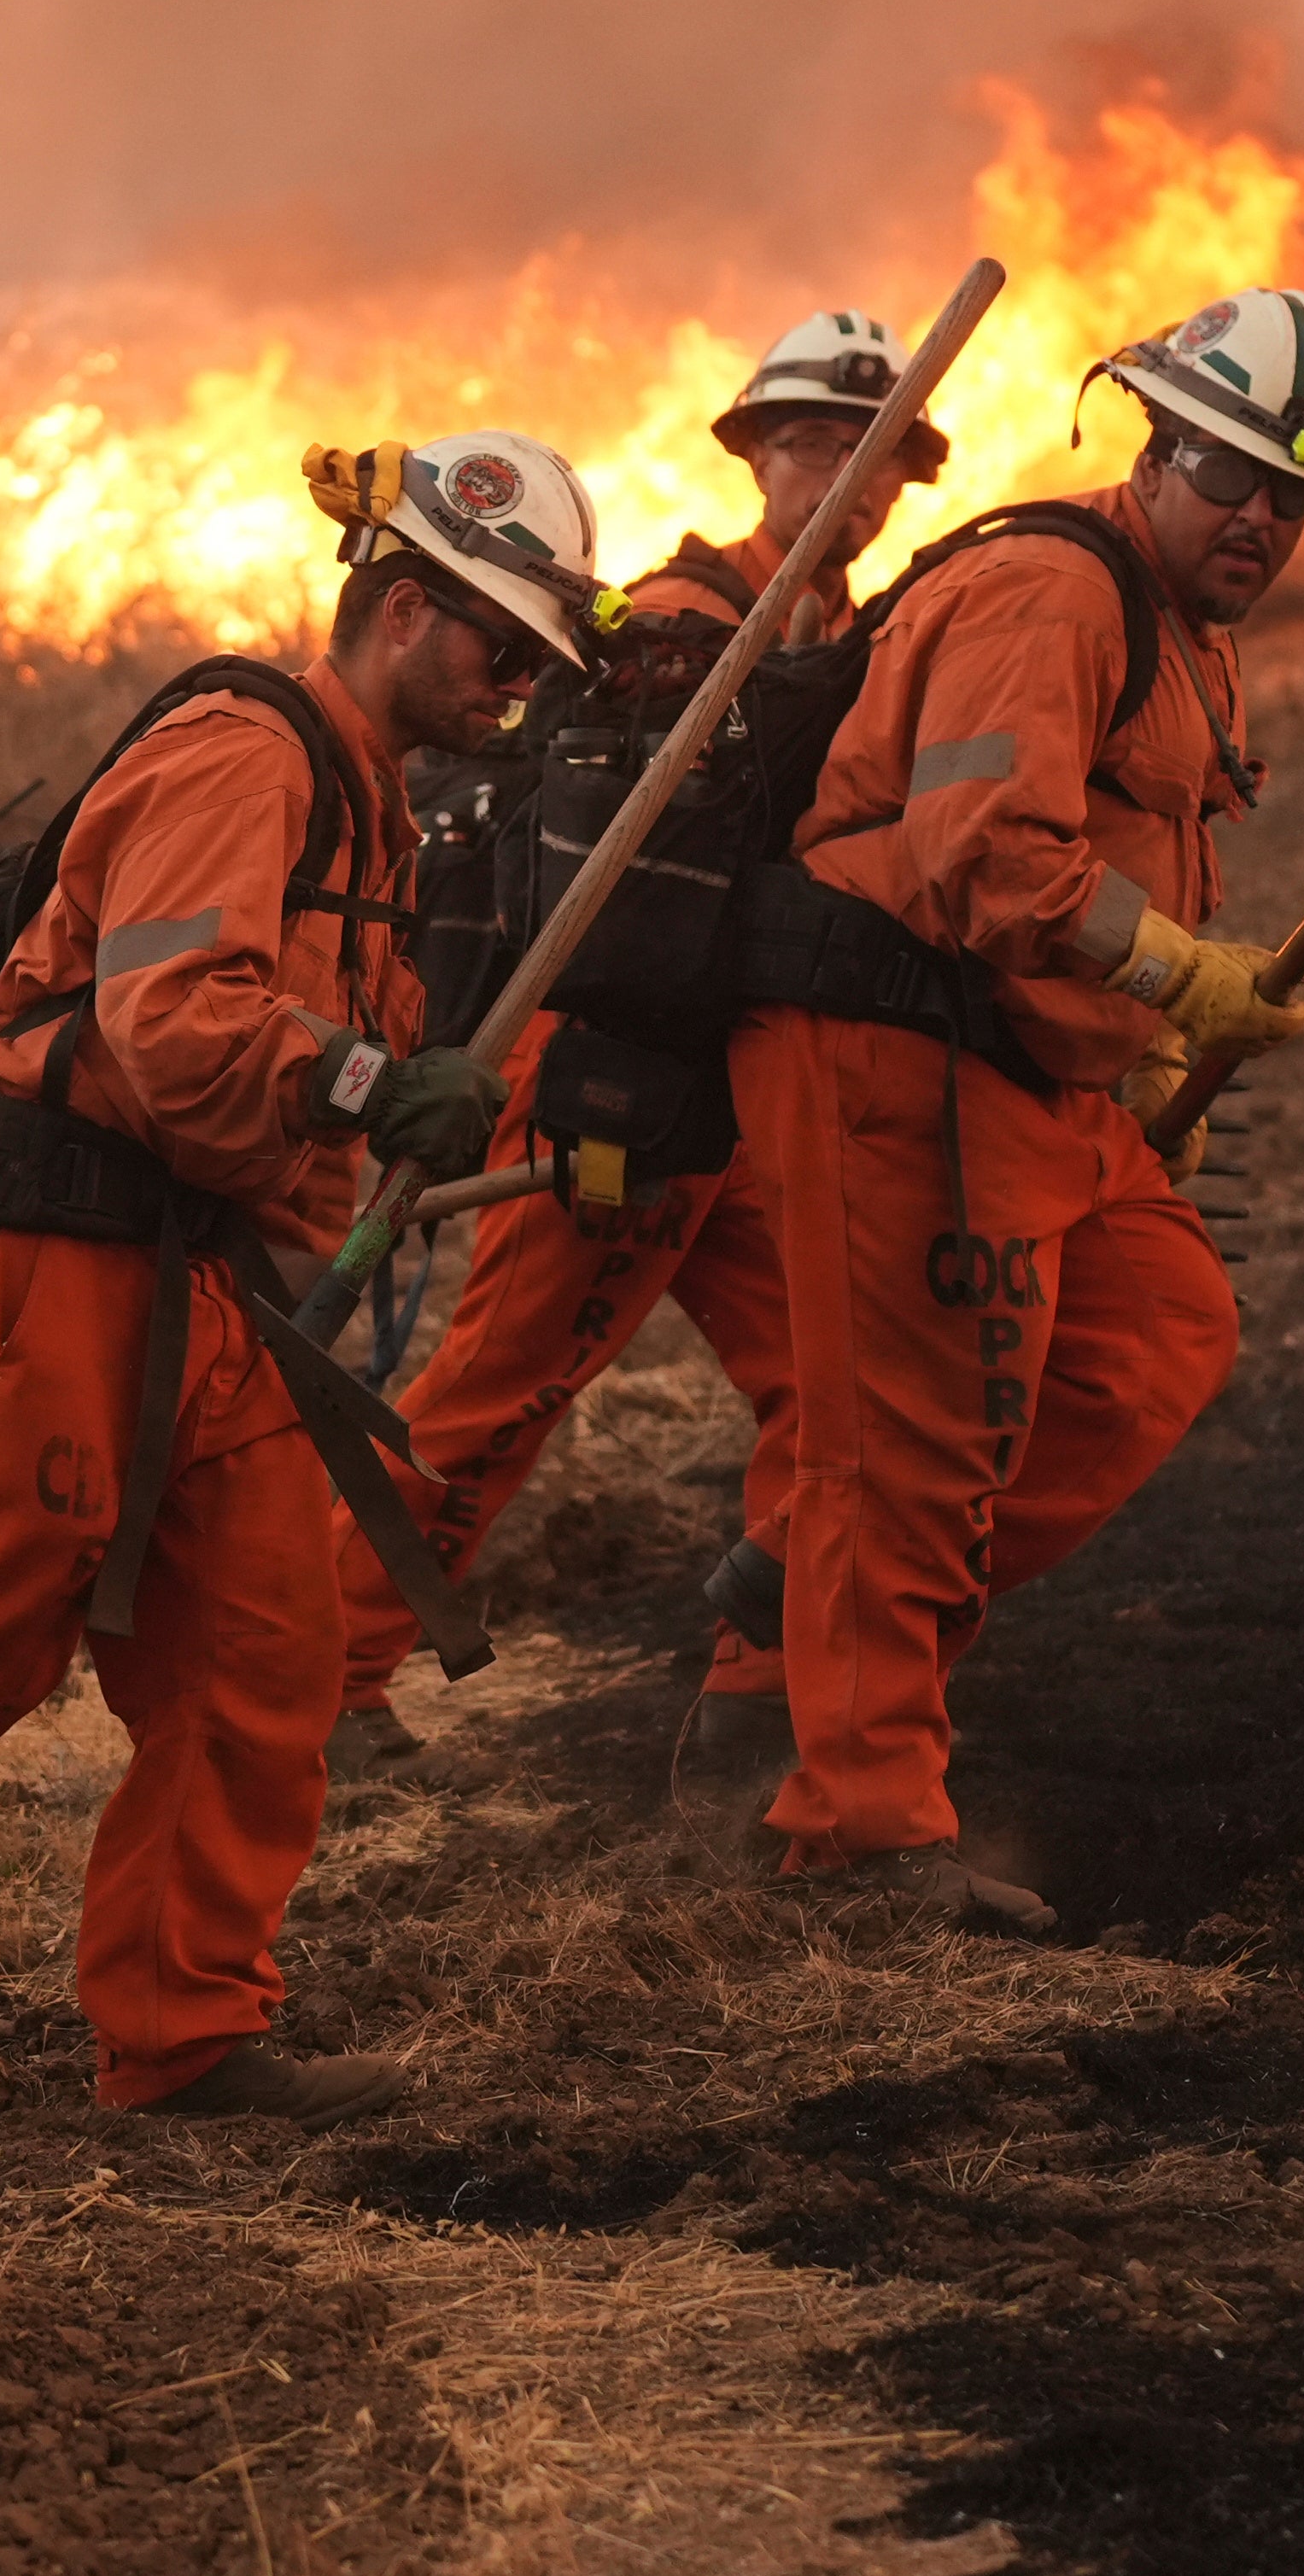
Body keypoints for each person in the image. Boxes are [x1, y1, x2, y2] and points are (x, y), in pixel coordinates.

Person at [0, 429, 610, 2126]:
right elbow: (171, 1020)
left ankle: (186, 2031)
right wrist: (370, 1085)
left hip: (179, 1268)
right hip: (35, 1243)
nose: (513, 686)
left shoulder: (375, 807)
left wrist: (398, 1104)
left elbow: (283, 1064)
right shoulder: (248, 749)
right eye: (494, 642)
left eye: (536, 661)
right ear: (390, 603)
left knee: (263, 1649)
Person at [728, 289, 1304, 1934]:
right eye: (1234, 475)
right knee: (919, 1449)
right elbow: (982, 853)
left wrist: (1138, 1054)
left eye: (1297, 491)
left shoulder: (1185, 631)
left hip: (1032, 1064)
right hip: (899, 1052)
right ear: (1159, 447)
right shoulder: (1049, 591)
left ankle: (794, 1610)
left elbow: (1104, 864)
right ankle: (861, 1833)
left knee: (1160, 1335)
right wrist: (1181, 988)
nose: (1262, 518)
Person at [325, 312, 954, 1794]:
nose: (848, 482)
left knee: (834, 1389)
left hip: (734, 1086)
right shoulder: (680, 618)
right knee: (497, 1400)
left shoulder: (839, 637)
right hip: (612, 1076)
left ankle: (762, 1686)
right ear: (754, 457)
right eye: (813, 445)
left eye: (879, 460)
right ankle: (319, 1682)